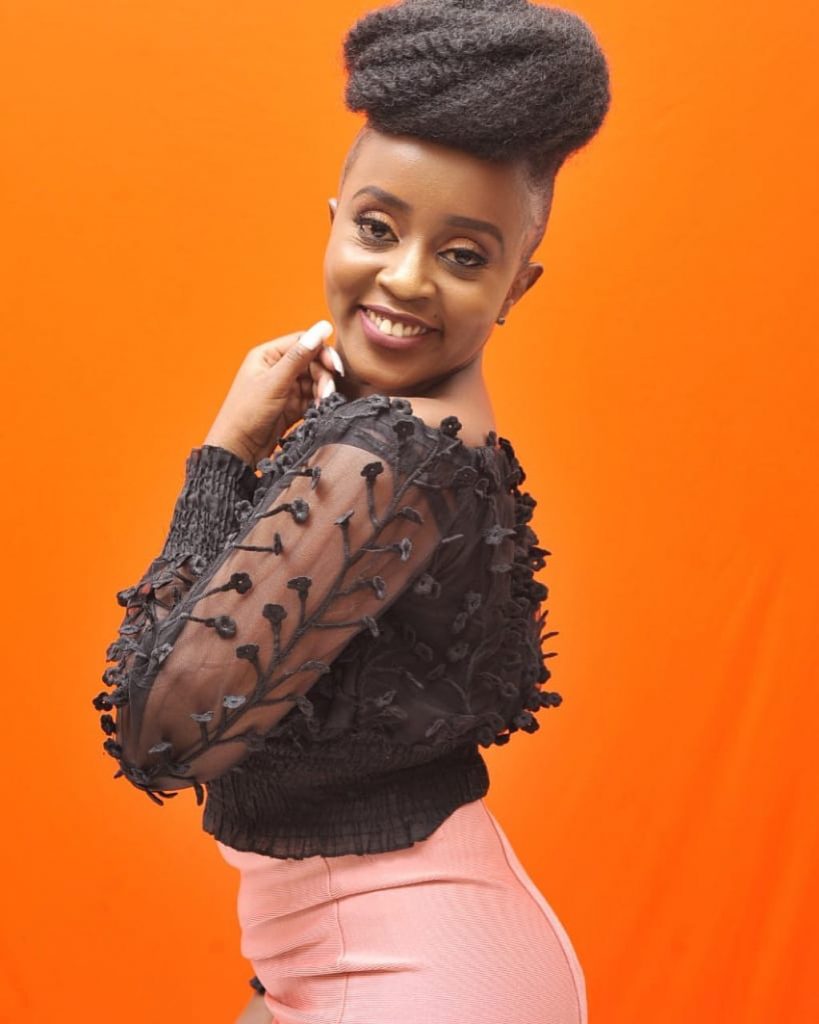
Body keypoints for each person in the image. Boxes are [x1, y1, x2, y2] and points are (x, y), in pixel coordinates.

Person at [93, 0, 610, 1021]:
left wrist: (222, 458)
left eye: (464, 256)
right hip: (382, 952)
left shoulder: (387, 457)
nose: (405, 279)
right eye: (379, 227)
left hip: (415, 977)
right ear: (333, 219)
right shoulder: (420, 434)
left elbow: (161, 731)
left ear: (519, 284)